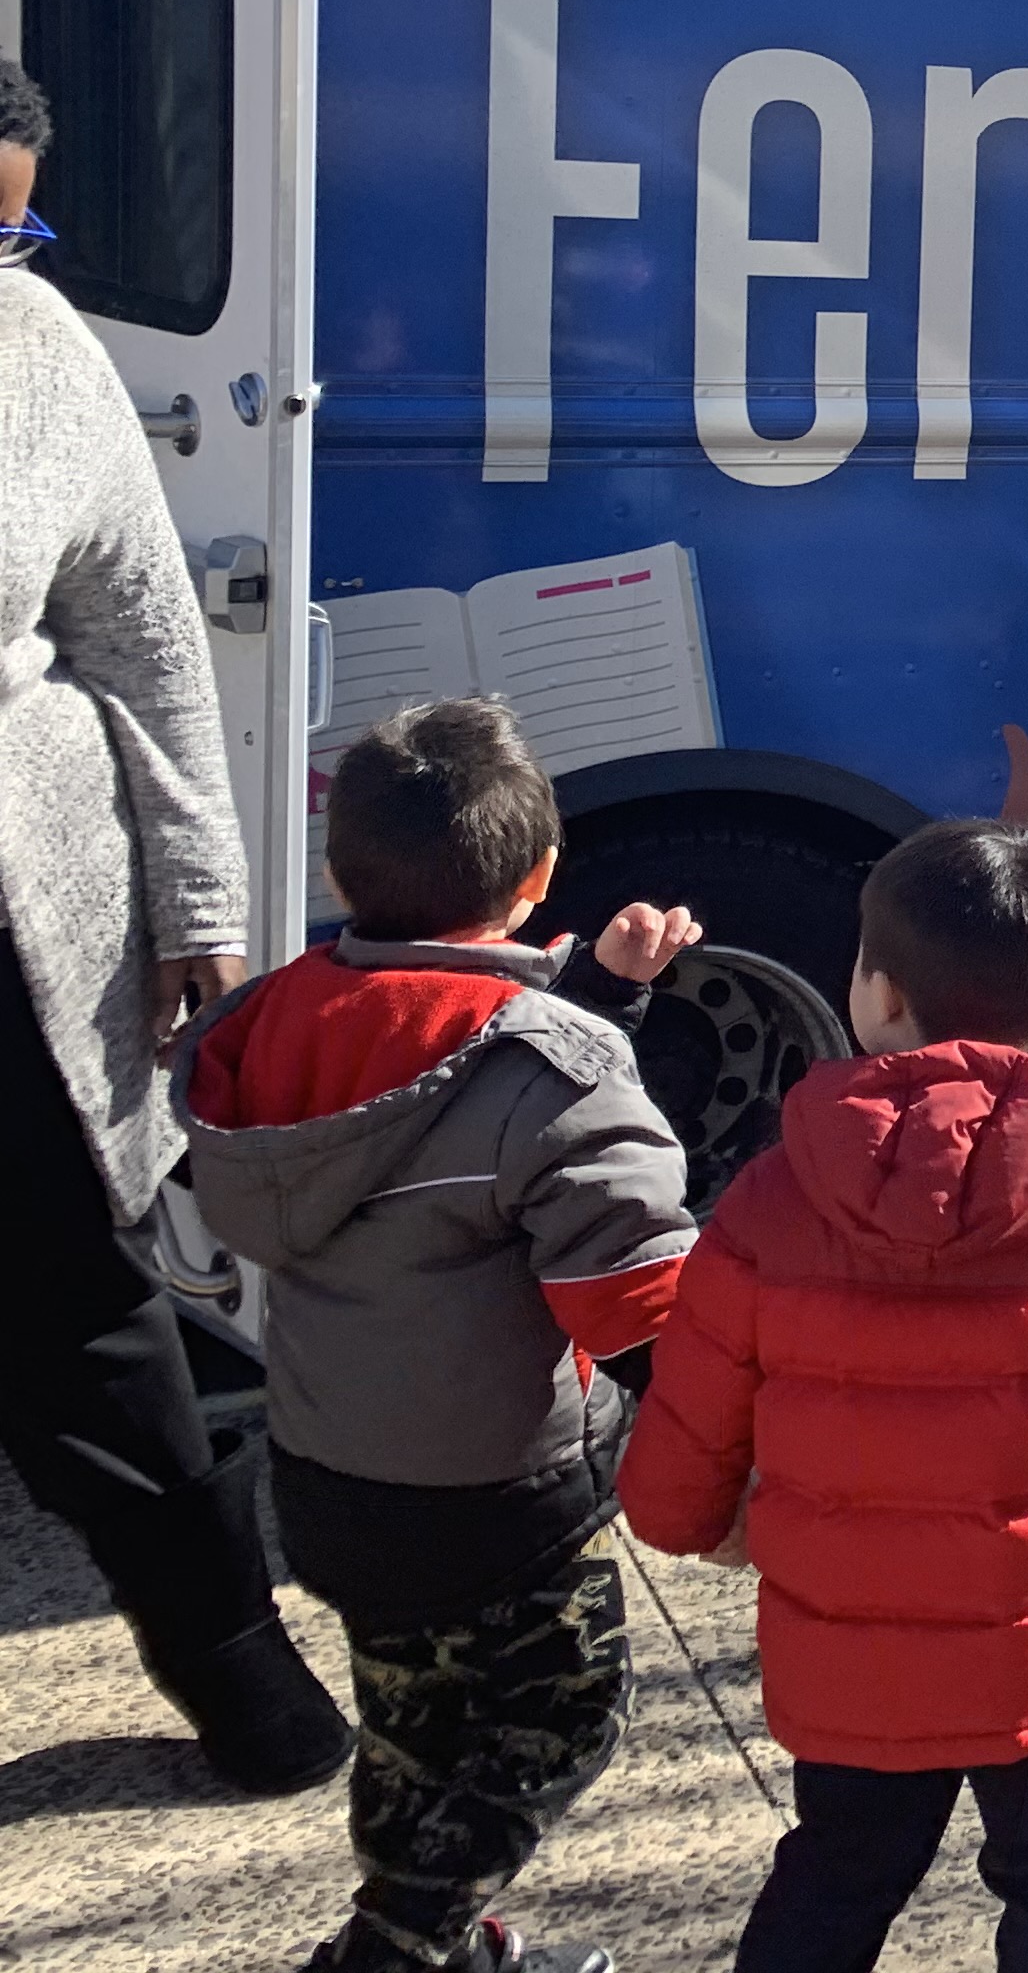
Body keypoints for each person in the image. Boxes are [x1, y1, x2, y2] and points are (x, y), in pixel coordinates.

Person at [623, 820, 1028, 1973]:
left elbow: (694, 1407)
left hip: (845, 1651)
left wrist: (688, 1522)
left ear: (876, 993)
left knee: (838, 1874)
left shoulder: (769, 1199)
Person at [177, 697, 705, 1973]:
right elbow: (626, 1297)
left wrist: (597, 1002)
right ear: (535, 883)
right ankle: (397, 1942)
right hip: (500, 1494)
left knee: (414, 1729)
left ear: (339, 867)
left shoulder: (268, 1024)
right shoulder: (555, 1068)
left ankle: (446, 1942)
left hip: (327, 1473)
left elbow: (439, 1099)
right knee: (561, 1721)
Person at [0, 57, 352, 1796]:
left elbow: (143, 639)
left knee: (87, 1313)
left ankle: (238, 1669)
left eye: (21, 222)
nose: (10, 256)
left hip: (21, 920)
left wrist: (201, 901)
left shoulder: (41, 346)